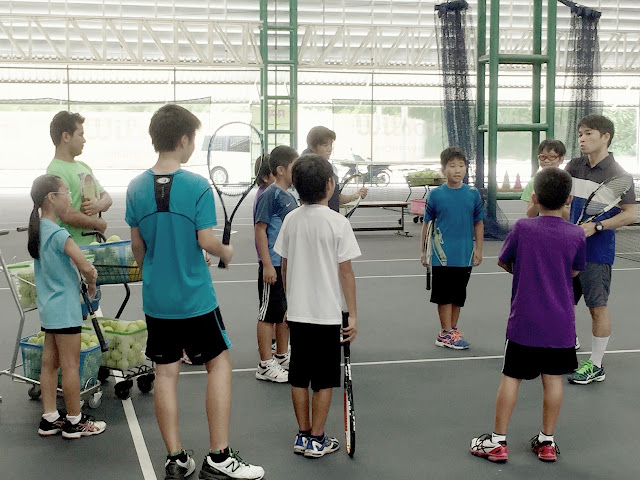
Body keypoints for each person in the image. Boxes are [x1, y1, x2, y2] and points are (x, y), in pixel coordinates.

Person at [125, 104, 264, 480]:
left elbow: (138, 247)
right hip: (194, 298)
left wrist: (158, 267)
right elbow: (205, 239)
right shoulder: (197, 186)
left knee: (165, 374)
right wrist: (225, 251)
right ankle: (219, 456)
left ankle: (175, 458)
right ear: (184, 139)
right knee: (219, 364)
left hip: (157, 299)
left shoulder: (135, 187)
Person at [470, 167, 586, 463]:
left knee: (511, 377)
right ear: (569, 199)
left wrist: (525, 272)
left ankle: (497, 442)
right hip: (561, 325)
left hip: (524, 322)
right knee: (553, 379)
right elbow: (574, 270)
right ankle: (547, 442)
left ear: (534, 198)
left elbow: (504, 261)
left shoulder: (522, 227)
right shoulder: (577, 234)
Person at [273, 153, 361, 458]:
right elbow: (346, 272)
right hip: (326, 315)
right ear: (330, 185)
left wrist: (288, 304)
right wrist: (353, 314)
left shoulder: (291, 219)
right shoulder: (338, 223)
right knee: (323, 381)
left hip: (298, 314)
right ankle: (317, 438)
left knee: (299, 376)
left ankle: (303, 435)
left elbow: (285, 266)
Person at [28, 174, 106, 439]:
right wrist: (92, 282)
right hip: (65, 309)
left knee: (49, 364)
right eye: (66, 193)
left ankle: (50, 418)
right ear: (52, 198)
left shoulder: (39, 230)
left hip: (49, 309)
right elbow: (86, 266)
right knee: (71, 366)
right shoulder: (60, 234)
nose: (70, 199)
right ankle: (75, 420)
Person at [565, 114, 637, 385]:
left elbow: (630, 214)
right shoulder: (574, 166)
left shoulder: (619, 175)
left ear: (605, 137)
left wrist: (597, 226)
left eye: (589, 133)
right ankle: (565, 346)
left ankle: (595, 365)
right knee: (563, 303)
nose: (582, 139)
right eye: (580, 134)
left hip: (597, 253)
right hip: (570, 249)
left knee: (597, 308)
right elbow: (564, 201)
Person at [420, 147, 484, 349]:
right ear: (443, 170)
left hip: (464, 255)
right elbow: (427, 224)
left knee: (458, 296)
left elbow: (478, 223)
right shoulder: (436, 195)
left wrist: (479, 249)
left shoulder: (473, 194)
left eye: (461, 165)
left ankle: (452, 329)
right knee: (444, 296)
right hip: (442, 255)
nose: (457, 170)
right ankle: (445, 333)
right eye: (452, 166)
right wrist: (424, 251)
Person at [254, 146, 298, 382]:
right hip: (273, 264)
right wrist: (268, 264)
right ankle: (265, 364)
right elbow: (260, 229)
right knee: (268, 314)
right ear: (281, 170)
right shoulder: (269, 195)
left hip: (286, 265)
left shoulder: (289, 196)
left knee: (282, 313)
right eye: (294, 167)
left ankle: (281, 355)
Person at [46, 111, 112, 245]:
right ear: (66, 136)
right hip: (71, 249)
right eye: (80, 134)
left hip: (92, 247)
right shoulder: (55, 170)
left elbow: (107, 198)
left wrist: (98, 205)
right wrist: (96, 223)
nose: (84, 140)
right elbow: (65, 212)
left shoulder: (84, 167)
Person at [302, 126, 367, 211]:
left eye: (331, 145)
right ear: (313, 147)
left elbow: (335, 198)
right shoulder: (306, 170)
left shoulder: (323, 166)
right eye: (325, 145)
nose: (329, 149)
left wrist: (354, 196)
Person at [521, 139, 569, 219]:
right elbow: (530, 215)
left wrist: (552, 199)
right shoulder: (534, 182)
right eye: (542, 157)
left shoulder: (566, 181)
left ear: (561, 159)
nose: (546, 161)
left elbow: (570, 216)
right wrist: (537, 200)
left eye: (552, 157)